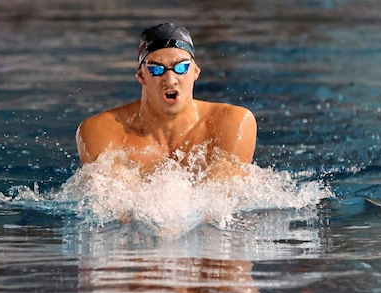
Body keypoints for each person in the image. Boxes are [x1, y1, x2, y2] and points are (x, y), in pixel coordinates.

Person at [75, 23, 257, 180]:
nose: (170, 80)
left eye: (181, 67)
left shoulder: (232, 122)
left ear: (195, 72)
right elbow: (118, 214)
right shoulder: (102, 131)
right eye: (156, 69)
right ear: (141, 76)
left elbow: (221, 204)